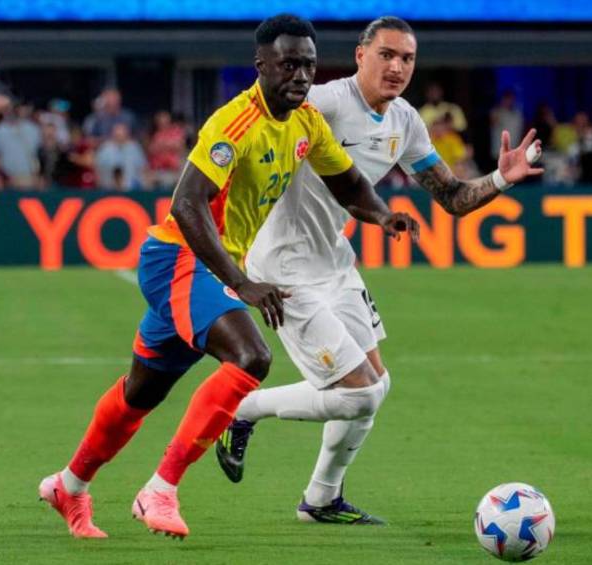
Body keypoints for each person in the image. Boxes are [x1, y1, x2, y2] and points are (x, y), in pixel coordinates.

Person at [38, 14, 419, 540]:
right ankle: (159, 491)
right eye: (288, 64)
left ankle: (69, 485)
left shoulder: (306, 123)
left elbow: (349, 182)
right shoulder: (234, 123)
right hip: (177, 257)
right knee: (251, 356)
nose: (300, 75)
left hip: (204, 267)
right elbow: (187, 203)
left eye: (308, 64)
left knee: (139, 395)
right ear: (260, 65)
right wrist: (240, 282)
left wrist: (381, 214)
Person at [215, 16, 543, 525]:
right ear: (361, 55)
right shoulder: (321, 103)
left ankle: (321, 499)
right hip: (282, 268)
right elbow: (246, 135)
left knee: (377, 388)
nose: (397, 67)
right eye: (386, 55)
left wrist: (503, 177)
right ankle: (241, 410)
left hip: (335, 263)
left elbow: (452, 198)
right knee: (358, 392)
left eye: (407, 58)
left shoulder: (405, 120)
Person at [95, 123, 148, 190]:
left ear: (127, 135)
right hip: (108, 189)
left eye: (122, 135)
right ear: (113, 135)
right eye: (117, 135)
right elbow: (97, 168)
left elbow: (143, 168)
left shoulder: (134, 147)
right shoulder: (105, 148)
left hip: (132, 189)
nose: (120, 138)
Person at [490, 90, 523, 164]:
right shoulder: (496, 112)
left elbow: (520, 130)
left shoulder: (517, 114)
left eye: (511, 99)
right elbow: (493, 122)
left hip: (513, 150)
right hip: (499, 152)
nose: (509, 101)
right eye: (506, 99)